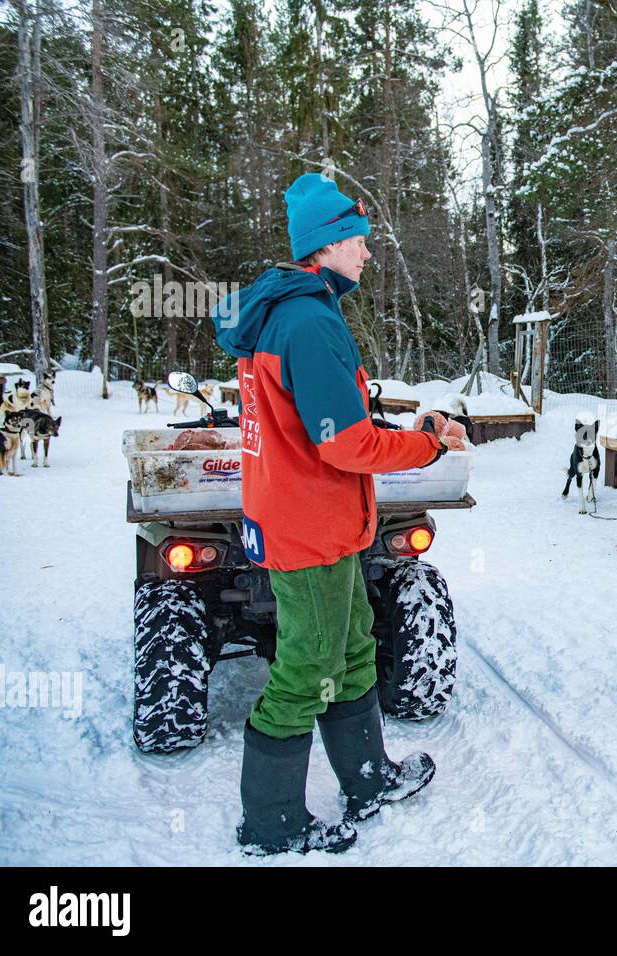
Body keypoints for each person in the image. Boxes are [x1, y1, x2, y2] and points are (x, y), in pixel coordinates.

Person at [211, 173, 447, 855]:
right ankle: (272, 824)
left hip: (325, 522)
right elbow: (345, 443)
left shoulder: (300, 312)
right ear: (329, 244)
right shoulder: (308, 321)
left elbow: (328, 423)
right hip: (306, 528)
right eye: (361, 242)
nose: (368, 254)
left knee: (350, 646)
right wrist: (427, 445)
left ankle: (368, 779)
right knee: (308, 663)